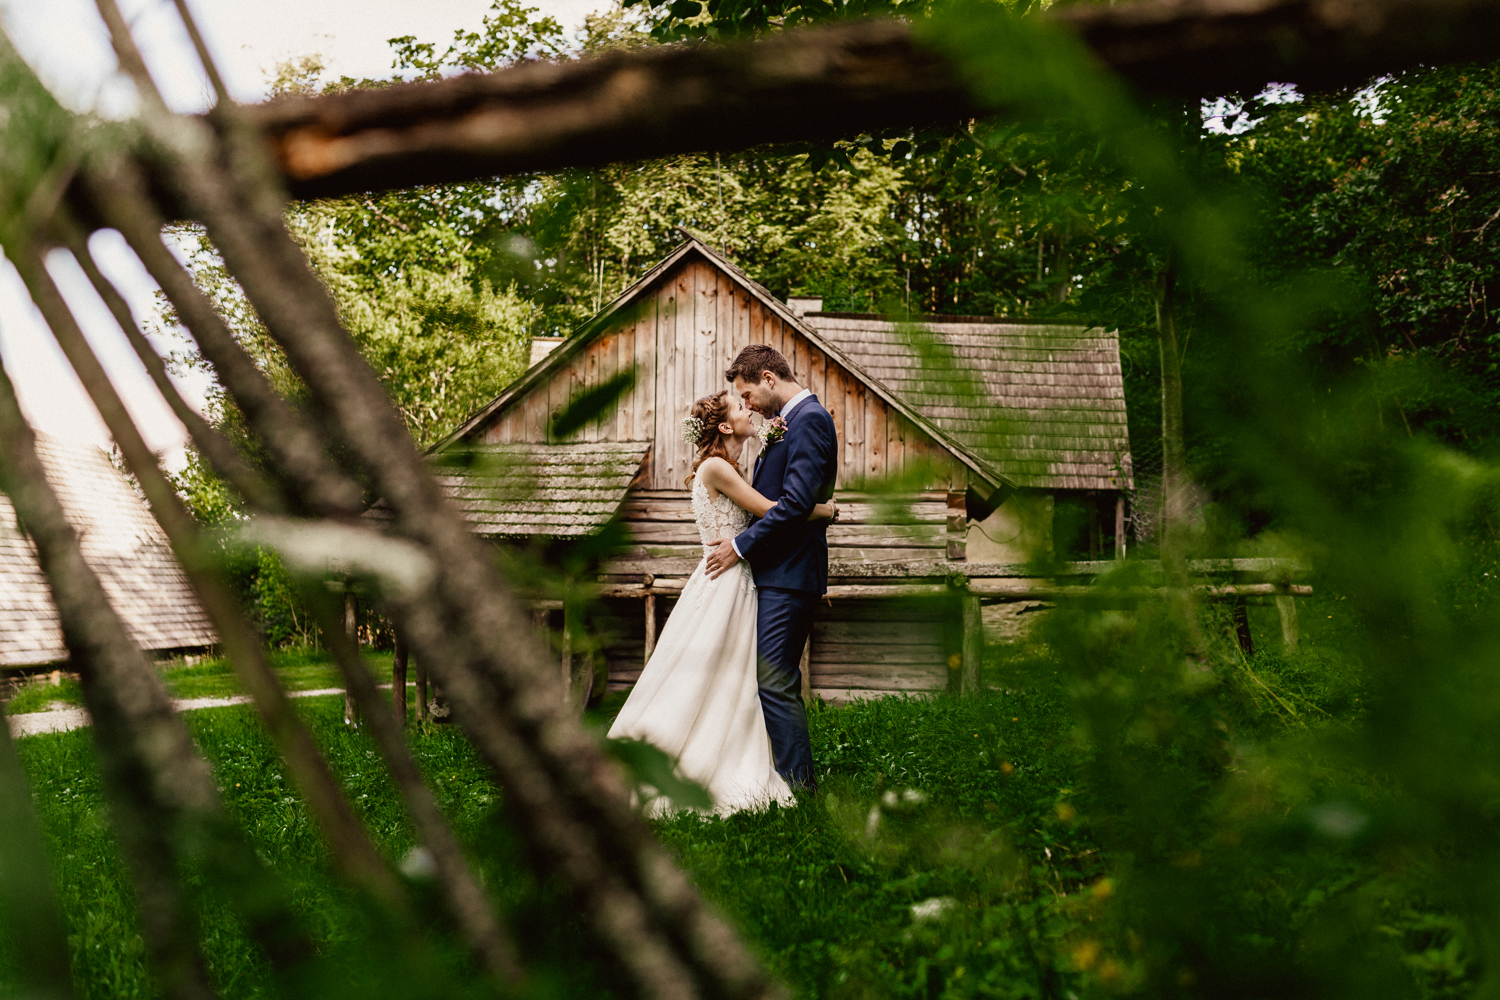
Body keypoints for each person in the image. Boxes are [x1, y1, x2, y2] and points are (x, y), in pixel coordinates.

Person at [607, 390, 837, 815]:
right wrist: (824, 510)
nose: (749, 408)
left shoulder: (728, 467)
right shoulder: (716, 468)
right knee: (717, 674)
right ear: (726, 426)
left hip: (734, 577)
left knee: (732, 675)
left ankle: (727, 748)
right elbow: (771, 509)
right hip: (728, 580)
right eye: (740, 406)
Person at [704, 344, 838, 793]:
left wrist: (739, 546)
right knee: (773, 680)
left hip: (790, 573)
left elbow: (797, 503)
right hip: (776, 573)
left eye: (746, 394)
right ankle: (777, 776)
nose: (747, 405)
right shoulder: (786, 425)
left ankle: (799, 789)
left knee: (776, 682)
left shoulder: (810, 420)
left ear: (767, 377)